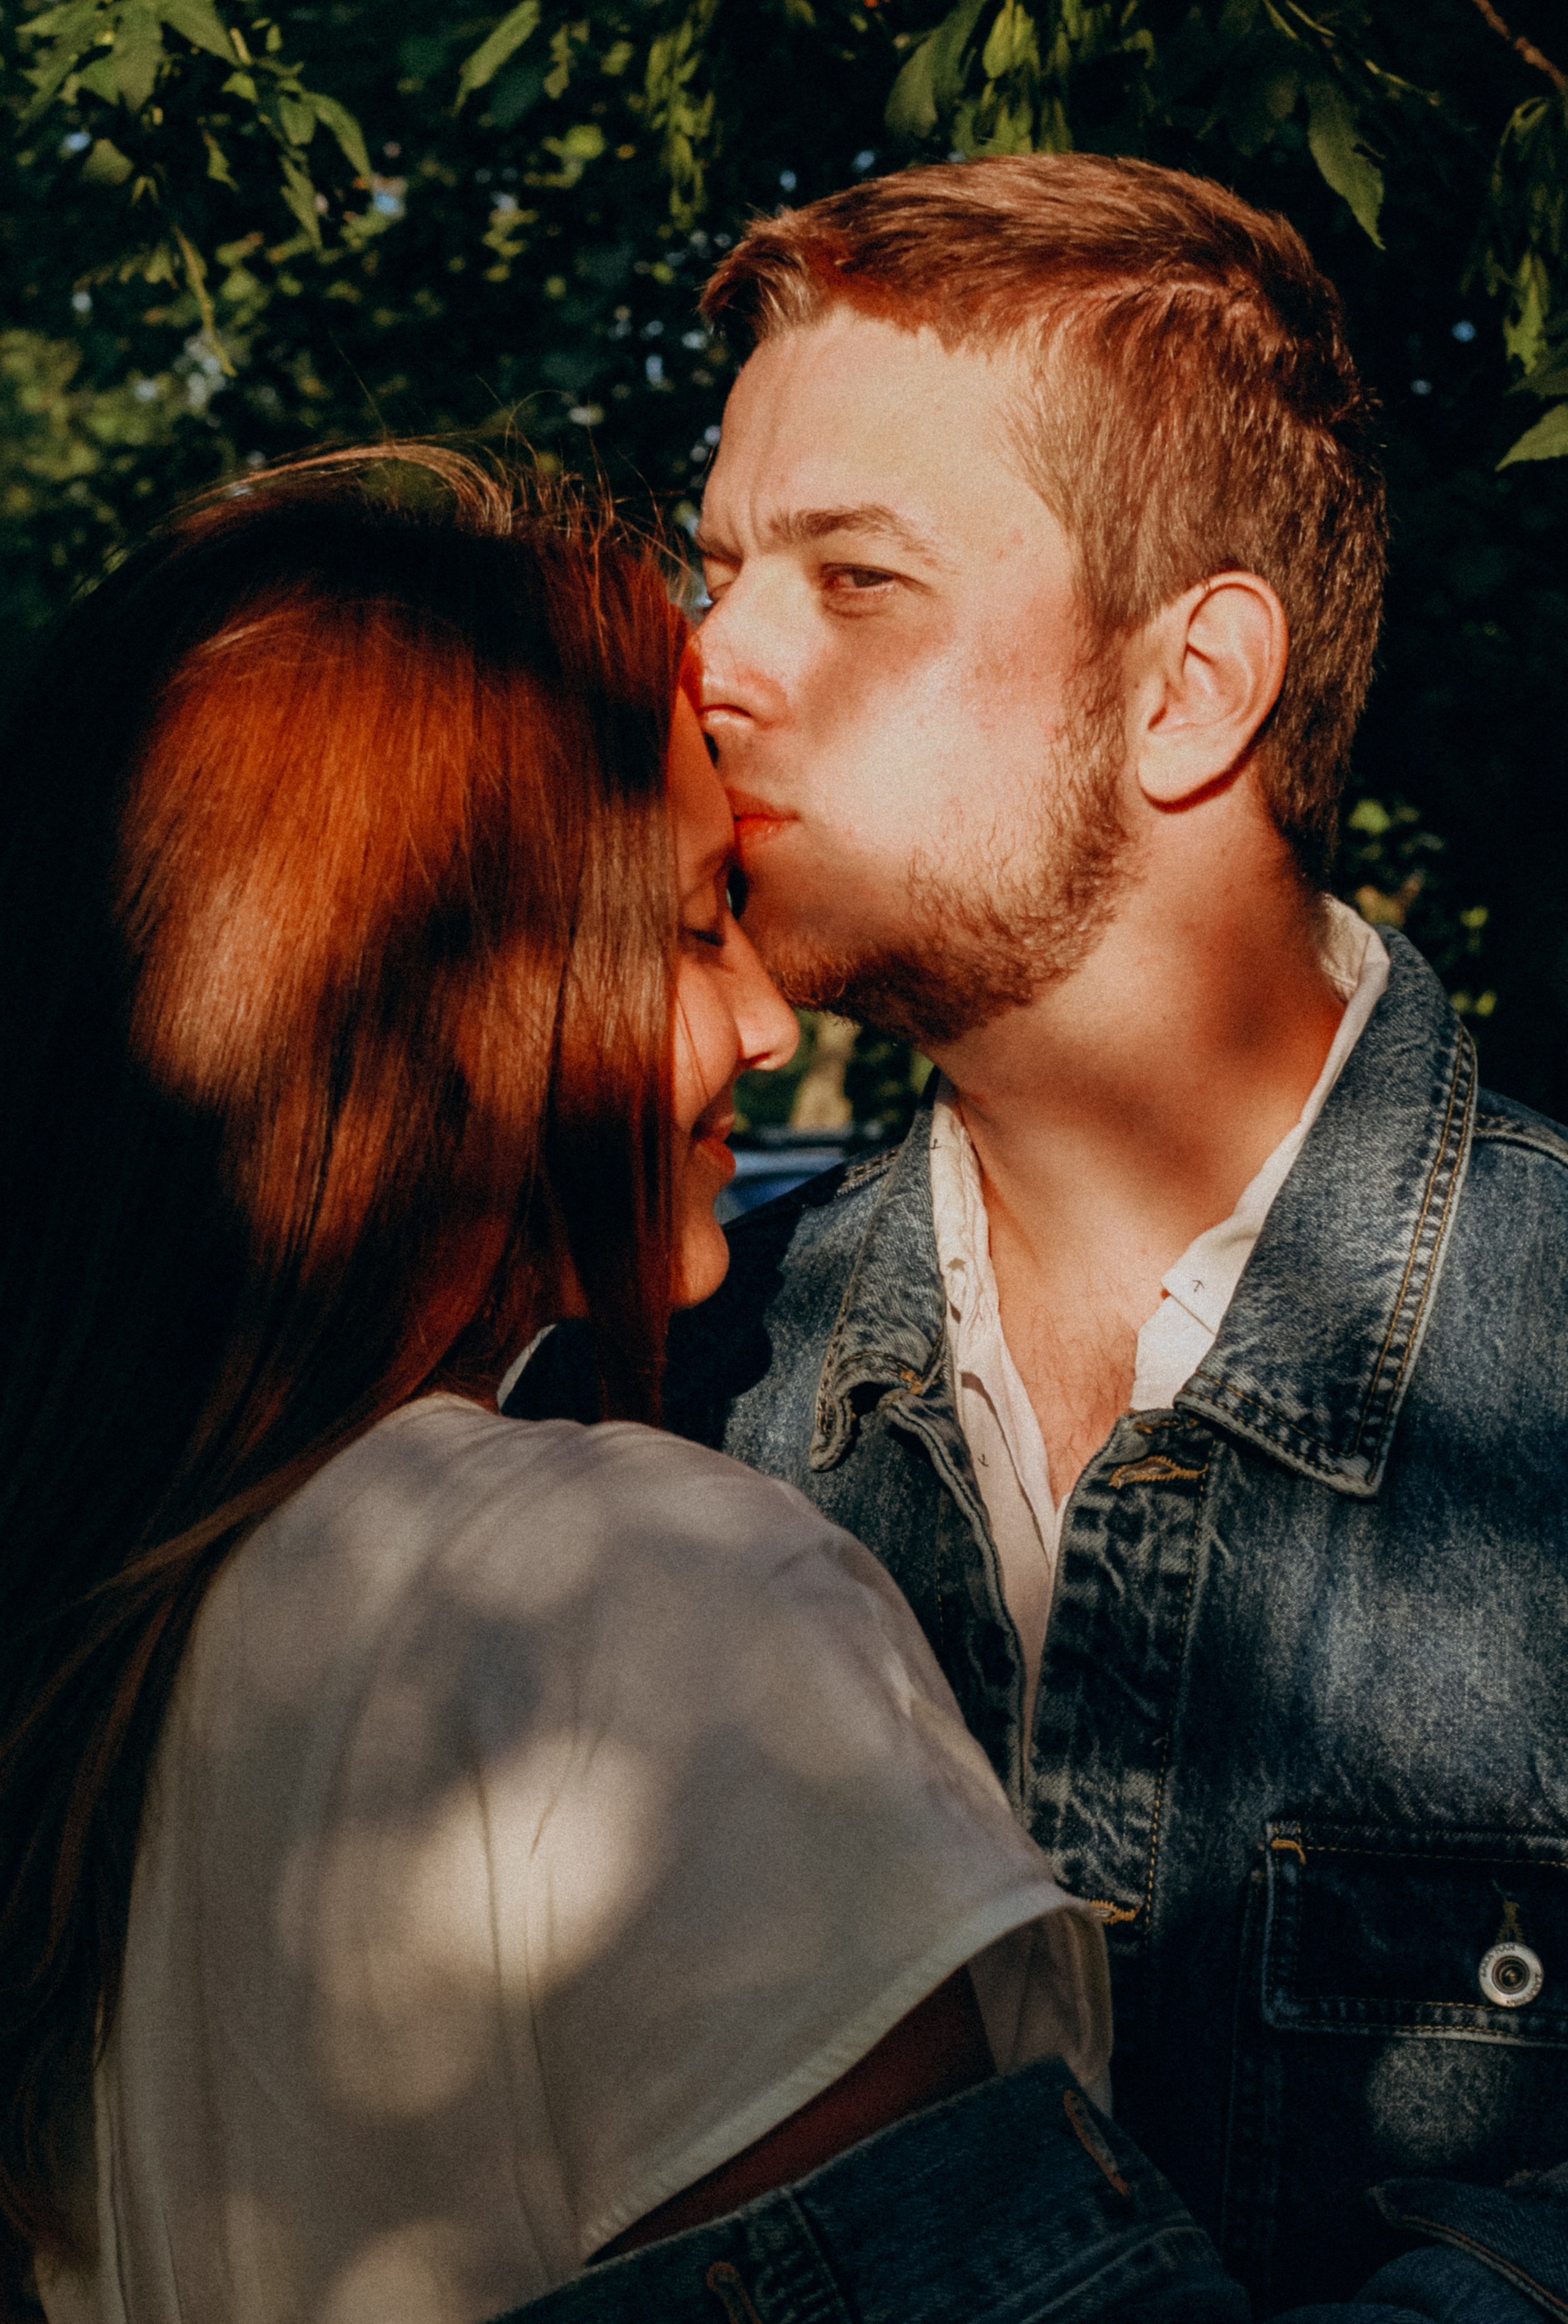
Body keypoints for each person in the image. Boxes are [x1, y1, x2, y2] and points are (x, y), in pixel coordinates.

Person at [509, 156, 1568, 2315]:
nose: (711, 666)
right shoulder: (649, 1401)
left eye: (858, 581)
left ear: (1194, 688)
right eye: (718, 571)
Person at [0, 446, 1114, 2324]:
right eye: (689, 929)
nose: (768, 1021)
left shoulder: (126, 1629)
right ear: (420, 981)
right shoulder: (626, 1593)